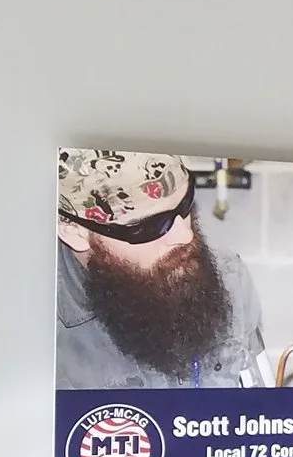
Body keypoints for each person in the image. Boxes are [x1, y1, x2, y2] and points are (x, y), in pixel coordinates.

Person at [57, 149, 271, 389]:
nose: (184, 235)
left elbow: (261, 414)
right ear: (74, 231)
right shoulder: (32, 327)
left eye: (185, 205)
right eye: (149, 226)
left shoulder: (228, 277)